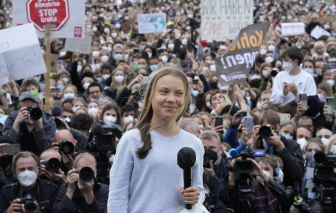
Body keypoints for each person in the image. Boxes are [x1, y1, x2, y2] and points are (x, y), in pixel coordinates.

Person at [107, 64, 205, 212]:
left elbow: (199, 188)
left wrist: (196, 196)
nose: (171, 99)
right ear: (151, 95)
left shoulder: (195, 143)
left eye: (178, 93)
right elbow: (117, 196)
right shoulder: (131, 139)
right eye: (164, 92)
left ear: (185, 99)